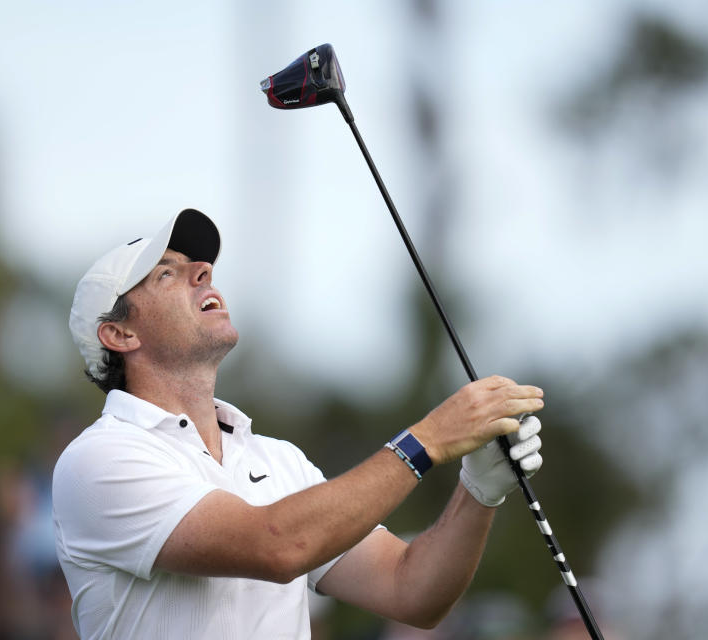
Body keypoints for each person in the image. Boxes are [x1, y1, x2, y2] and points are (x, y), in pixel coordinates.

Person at [53, 209, 545, 639]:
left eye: (199, 268)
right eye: (167, 274)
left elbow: (410, 590)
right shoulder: (99, 458)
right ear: (119, 333)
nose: (203, 272)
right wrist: (429, 440)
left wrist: (479, 490)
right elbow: (276, 545)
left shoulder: (278, 461)